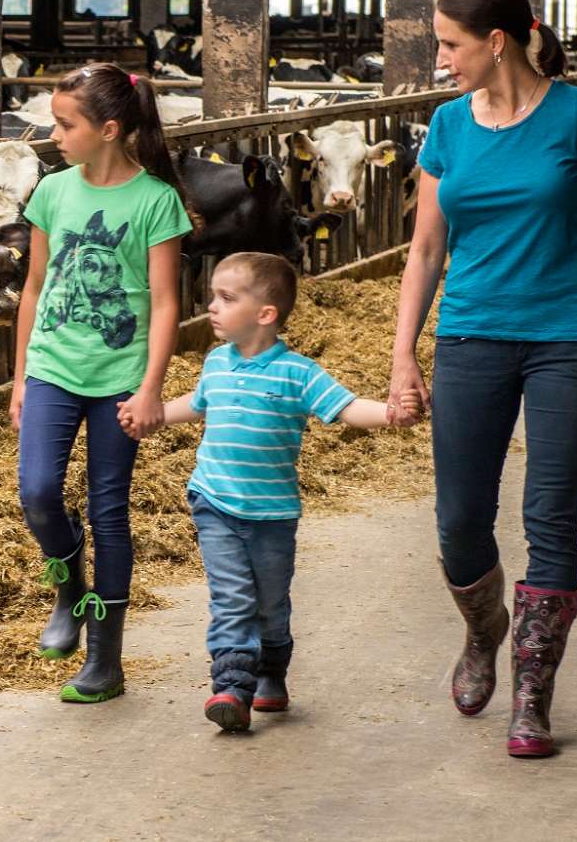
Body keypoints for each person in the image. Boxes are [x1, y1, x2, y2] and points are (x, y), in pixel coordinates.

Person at [389, 0, 577, 758]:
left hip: (568, 336)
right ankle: (484, 630)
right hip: (471, 333)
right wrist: (404, 352)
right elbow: (427, 247)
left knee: (552, 515)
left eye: (450, 44)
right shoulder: (446, 125)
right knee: (460, 519)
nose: (441, 60)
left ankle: (532, 697)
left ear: (496, 41)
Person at [127, 252, 420, 731]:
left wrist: (391, 414)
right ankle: (231, 688)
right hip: (214, 502)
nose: (212, 307)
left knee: (271, 603)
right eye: (212, 297)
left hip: (272, 513)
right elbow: (197, 405)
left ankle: (271, 673)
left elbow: (345, 409)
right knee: (232, 598)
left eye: (226, 298)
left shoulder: (298, 373)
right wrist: (151, 414)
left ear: (265, 314)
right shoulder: (215, 362)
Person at [10, 62, 196, 703]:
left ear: (109, 128)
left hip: (119, 377)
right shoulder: (53, 192)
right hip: (53, 370)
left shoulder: (155, 201)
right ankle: (67, 586)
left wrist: (151, 388)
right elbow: (34, 288)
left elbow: (167, 302)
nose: (54, 135)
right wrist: (19, 380)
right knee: (37, 493)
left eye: (66, 124)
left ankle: (104, 659)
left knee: (108, 510)